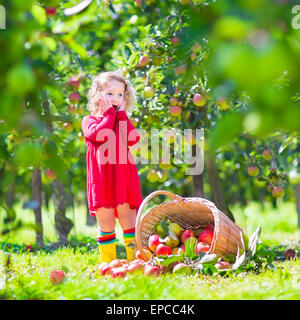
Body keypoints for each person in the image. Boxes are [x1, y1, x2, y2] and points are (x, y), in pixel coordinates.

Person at [81, 71, 143, 263]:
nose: (115, 99)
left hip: (123, 179)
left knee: (129, 221)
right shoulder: (89, 121)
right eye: (110, 94)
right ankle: (108, 263)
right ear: (97, 95)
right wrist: (109, 114)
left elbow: (133, 139)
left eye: (120, 94)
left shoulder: (121, 120)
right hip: (102, 181)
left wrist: (122, 115)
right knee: (106, 223)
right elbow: (101, 134)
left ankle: (135, 260)